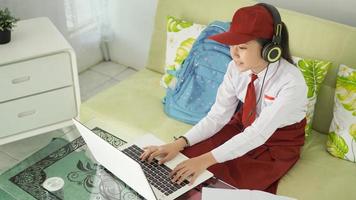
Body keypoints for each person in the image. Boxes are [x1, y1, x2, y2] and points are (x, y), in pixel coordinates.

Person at [140, 3, 308, 194]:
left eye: (242, 47)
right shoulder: (235, 69)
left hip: (277, 142)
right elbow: (217, 116)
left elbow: (258, 134)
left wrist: (205, 160)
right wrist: (178, 143)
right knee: (180, 163)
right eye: (232, 45)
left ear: (269, 49)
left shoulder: (291, 83)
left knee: (221, 186)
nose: (234, 54)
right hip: (241, 125)